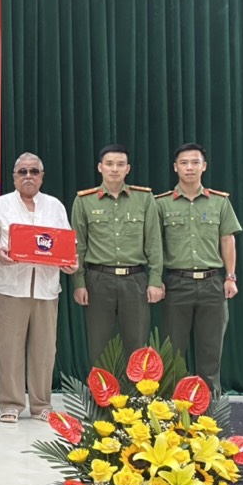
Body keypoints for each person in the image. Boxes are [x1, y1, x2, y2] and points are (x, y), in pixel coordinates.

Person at [0, 154, 76, 423]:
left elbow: (67, 244)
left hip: (46, 288)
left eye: (34, 171)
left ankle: (41, 405)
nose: (28, 176)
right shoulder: (1, 204)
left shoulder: (55, 206)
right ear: (14, 177)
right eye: (22, 171)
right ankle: (10, 404)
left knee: (44, 350)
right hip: (11, 287)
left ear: (42, 177)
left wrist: (70, 263)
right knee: (9, 349)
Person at [156, 143, 242, 390]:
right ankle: (171, 407)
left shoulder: (219, 202)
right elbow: (154, 245)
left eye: (195, 162)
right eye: (184, 163)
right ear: (175, 167)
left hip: (212, 283)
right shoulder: (161, 204)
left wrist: (230, 276)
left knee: (210, 352)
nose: (190, 168)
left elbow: (227, 239)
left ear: (204, 166)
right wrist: (156, 279)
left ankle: (209, 408)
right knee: (172, 352)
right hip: (176, 283)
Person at [72, 144, 164, 367]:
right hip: (98, 280)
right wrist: (79, 283)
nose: (114, 169)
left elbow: (154, 242)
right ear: (100, 167)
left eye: (120, 164)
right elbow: (78, 247)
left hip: (134, 280)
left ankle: (136, 391)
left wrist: (155, 281)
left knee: (137, 347)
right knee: (99, 347)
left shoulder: (144, 198)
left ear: (128, 168)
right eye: (110, 164)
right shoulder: (84, 201)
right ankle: (100, 391)